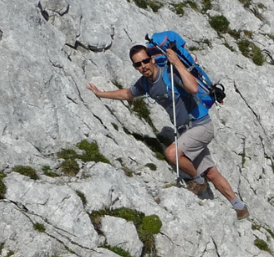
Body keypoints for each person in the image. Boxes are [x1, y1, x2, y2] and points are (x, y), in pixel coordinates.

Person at [87, 44, 249, 219]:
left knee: (172, 154)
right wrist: (100, 93)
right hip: (185, 131)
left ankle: (198, 181)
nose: (143, 66)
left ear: (153, 59)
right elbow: (126, 94)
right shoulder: (145, 84)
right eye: (138, 64)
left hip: (201, 125)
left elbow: (193, 88)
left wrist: (177, 62)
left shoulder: (169, 74)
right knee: (211, 172)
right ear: (135, 67)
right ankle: (239, 207)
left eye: (145, 61)